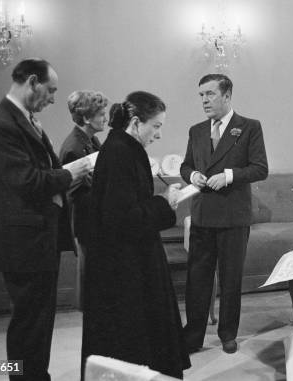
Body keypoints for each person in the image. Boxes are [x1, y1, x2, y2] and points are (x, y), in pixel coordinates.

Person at [0, 58, 92, 381]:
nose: (54, 99)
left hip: (38, 239)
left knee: (40, 321)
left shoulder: (24, 119)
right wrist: (72, 171)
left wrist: (67, 175)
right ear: (32, 81)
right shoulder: (1, 124)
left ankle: (36, 376)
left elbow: (41, 172)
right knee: (28, 324)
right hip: (22, 243)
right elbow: (27, 182)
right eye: (51, 90)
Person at [81, 91, 190, 379]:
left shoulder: (123, 146)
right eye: (156, 126)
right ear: (135, 121)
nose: (159, 134)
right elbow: (122, 218)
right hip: (125, 267)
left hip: (130, 258)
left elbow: (128, 205)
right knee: (132, 343)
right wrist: (163, 202)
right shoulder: (120, 151)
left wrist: (159, 201)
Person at [181, 74, 268, 354]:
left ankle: (228, 333)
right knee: (197, 279)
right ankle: (192, 336)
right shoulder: (196, 130)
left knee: (231, 280)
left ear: (227, 95)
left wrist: (229, 175)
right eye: (201, 95)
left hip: (233, 217)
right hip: (203, 215)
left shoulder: (249, 127)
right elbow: (185, 166)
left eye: (210, 94)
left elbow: (260, 168)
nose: (204, 100)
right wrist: (192, 174)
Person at [59, 90, 109, 308]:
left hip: (93, 217)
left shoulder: (91, 140)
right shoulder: (74, 147)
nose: (106, 118)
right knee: (89, 273)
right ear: (87, 118)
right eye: (101, 114)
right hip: (84, 220)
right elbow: (69, 191)